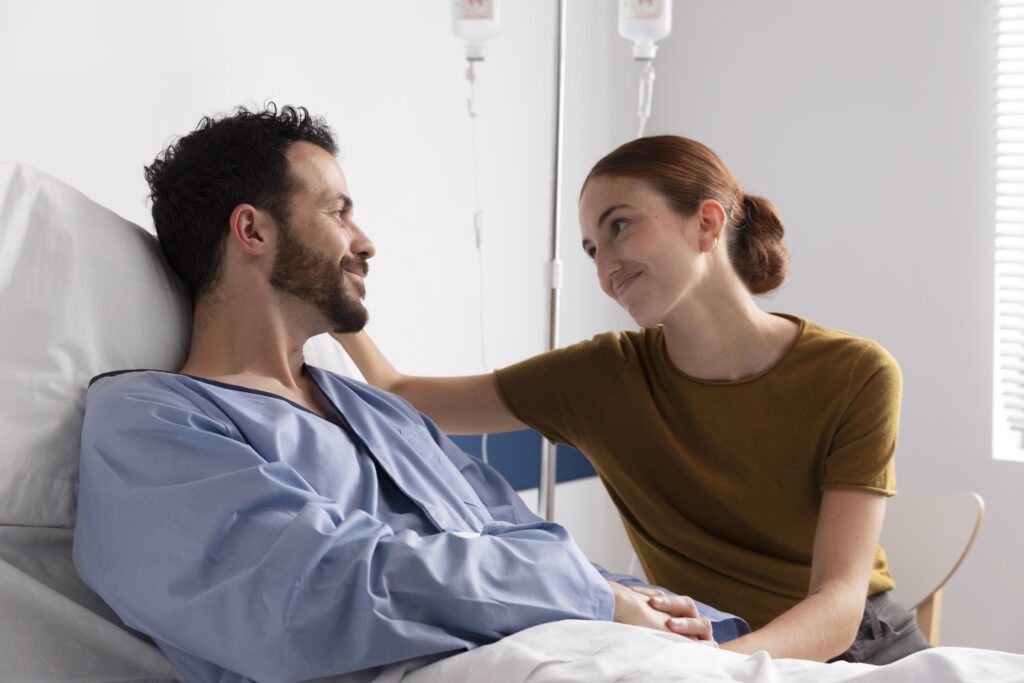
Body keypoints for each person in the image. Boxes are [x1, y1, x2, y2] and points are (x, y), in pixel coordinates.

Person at [71, 104, 749, 683]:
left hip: (584, 649)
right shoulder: (146, 423)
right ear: (252, 230)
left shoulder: (381, 413)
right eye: (338, 211)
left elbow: (527, 538)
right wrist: (588, 595)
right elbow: (308, 592)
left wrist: (676, 616)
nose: (366, 242)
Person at [336, 135, 932, 665]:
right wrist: (326, 293)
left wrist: (717, 667)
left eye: (618, 225)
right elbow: (400, 394)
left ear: (707, 223)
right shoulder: (601, 377)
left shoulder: (854, 372)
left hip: (857, 651)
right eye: (592, 249)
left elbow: (839, 602)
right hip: (708, 649)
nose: (605, 267)